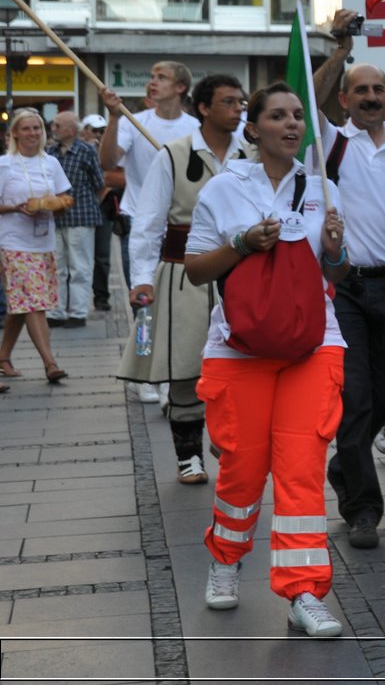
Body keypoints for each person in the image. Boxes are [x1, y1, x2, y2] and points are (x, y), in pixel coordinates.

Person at [183, 82, 349, 637]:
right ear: (253, 129)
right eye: (277, 115)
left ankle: (304, 592)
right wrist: (244, 241)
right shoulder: (224, 188)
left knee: (302, 471)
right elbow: (196, 269)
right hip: (238, 346)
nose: (291, 123)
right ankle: (226, 560)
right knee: (243, 469)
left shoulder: (323, 185)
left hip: (314, 341)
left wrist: (335, 249)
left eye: (298, 115)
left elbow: (338, 273)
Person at [311, 55, 385, 550]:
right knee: (355, 396)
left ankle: (345, 461)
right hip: (345, 289)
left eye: (379, 89)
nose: (371, 97)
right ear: (344, 99)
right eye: (360, 90)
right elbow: (307, 95)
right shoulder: (332, 144)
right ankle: (364, 509)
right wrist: (340, 49)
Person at [120, 74, 250, 484]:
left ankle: (228, 439)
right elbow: (149, 221)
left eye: (241, 102)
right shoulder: (173, 155)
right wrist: (142, 278)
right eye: (229, 102)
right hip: (185, 275)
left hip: (243, 275)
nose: (238, 109)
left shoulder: (253, 155)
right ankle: (188, 455)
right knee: (187, 367)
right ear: (204, 108)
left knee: (241, 365)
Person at [0, 109, 73, 385]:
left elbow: (65, 197)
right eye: (27, 129)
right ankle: (49, 362)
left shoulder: (51, 163)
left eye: (37, 128)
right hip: (13, 242)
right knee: (34, 303)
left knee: (22, 303)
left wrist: (57, 205)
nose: (33, 134)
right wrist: (15, 208)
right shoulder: (5, 164)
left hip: (44, 241)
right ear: (14, 133)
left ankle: (4, 355)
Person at [99, 61, 200, 215]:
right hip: (136, 215)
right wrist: (113, 117)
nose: (153, 82)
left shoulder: (196, 128)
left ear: (180, 87)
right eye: (152, 77)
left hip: (179, 218)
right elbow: (107, 163)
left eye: (162, 78)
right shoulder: (132, 122)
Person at [47, 111, 103, 329]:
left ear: (71, 129)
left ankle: (78, 312)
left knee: (80, 266)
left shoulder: (86, 150)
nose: (54, 128)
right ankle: (56, 311)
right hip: (57, 216)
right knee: (57, 265)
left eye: (58, 125)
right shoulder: (50, 152)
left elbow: (98, 182)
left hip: (81, 215)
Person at [80, 113, 114, 313]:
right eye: (95, 130)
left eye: (102, 131)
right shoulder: (78, 149)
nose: (99, 134)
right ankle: (78, 300)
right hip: (81, 208)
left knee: (102, 254)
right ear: (85, 130)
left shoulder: (108, 150)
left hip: (101, 206)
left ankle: (101, 296)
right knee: (79, 257)